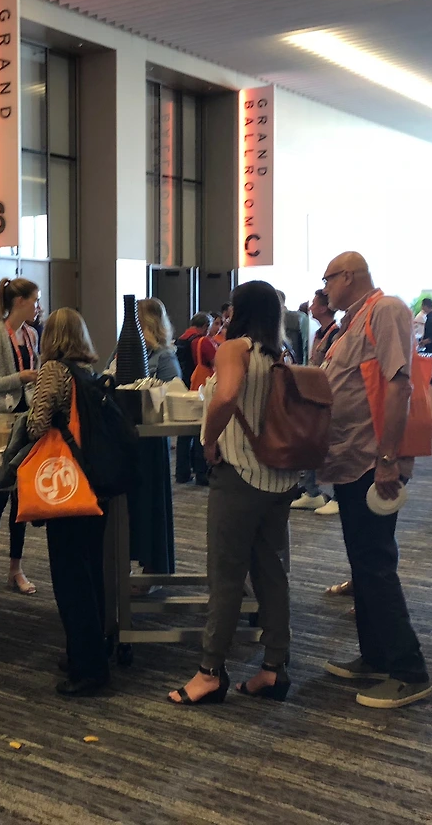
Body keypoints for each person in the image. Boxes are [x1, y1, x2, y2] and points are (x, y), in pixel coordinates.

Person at [168, 281, 300, 706]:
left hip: (240, 473)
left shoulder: (234, 349)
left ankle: (210, 672)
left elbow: (225, 396)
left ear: (238, 311)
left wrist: (209, 440)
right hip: (280, 477)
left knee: (225, 576)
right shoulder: (281, 352)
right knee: (271, 573)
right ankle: (274, 668)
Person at [318, 252, 432, 709]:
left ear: (348, 276)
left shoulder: (386, 310)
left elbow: (399, 384)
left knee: (376, 565)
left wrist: (388, 458)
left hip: (372, 460)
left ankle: (409, 671)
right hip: (349, 458)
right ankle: (375, 656)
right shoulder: (353, 320)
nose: (325, 288)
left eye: (328, 279)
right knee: (362, 563)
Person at [25, 308, 111, 695]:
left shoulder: (53, 371)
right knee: (90, 574)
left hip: (65, 486)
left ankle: (88, 669)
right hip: (93, 482)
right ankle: (88, 652)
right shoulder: (88, 372)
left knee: (70, 579)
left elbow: (37, 424)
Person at [0, 278, 41, 601]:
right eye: (34, 301)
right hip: (0, 423)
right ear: (19, 302)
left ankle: (16, 568)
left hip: (27, 421)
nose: (38, 307)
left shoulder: (31, 334)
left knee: (21, 500)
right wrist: (19, 378)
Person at [131, 299, 179, 585]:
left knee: (151, 509)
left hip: (150, 444)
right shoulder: (125, 350)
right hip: (127, 441)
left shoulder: (164, 358)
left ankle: (153, 571)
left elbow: (172, 397)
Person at [295, 290, 339, 512]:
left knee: (334, 445)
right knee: (311, 443)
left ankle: (337, 497)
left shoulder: (336, 334)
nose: (310, 307)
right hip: (315, 395)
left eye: (314, 303)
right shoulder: (320, 332)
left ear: (323, 308)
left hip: (329, 397)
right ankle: (311, 491)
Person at [174, 314, 212, 485]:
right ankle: (201, 473)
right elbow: (213, 360)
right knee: (198, 430)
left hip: (182, 387)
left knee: (183, 433)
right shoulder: (201, 341)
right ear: (205, 326)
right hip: (197, 387)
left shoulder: (181, 339)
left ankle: (181, 472)